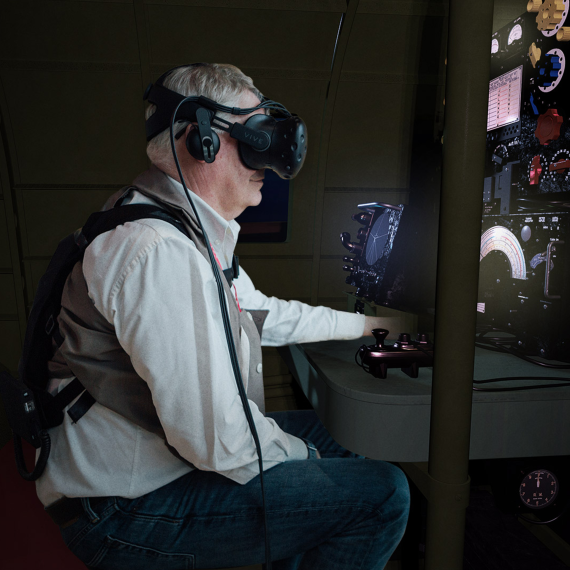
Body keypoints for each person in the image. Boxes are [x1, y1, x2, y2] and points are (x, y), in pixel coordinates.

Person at [37, 63, 410, 570]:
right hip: (121, 513)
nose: (270, 157)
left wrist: (366, 328)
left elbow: (261, 314)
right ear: (201, 141)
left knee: (335, 432)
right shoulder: (158, 251)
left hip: (156, 467)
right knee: (384, 495)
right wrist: (306, 460)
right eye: (256, 137)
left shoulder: (176, 228)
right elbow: (219, 443)